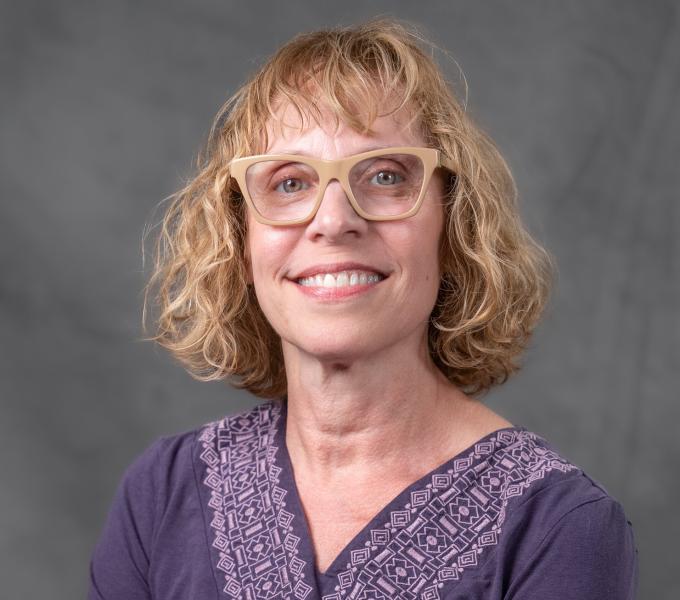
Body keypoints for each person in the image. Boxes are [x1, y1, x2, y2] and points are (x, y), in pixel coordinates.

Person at [88, 19, 638, 599]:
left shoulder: (558, 529)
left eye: (384, 176)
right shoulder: (162, 493)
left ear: (454, 225)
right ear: (239, 237)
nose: (333, 220)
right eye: (289, 183)